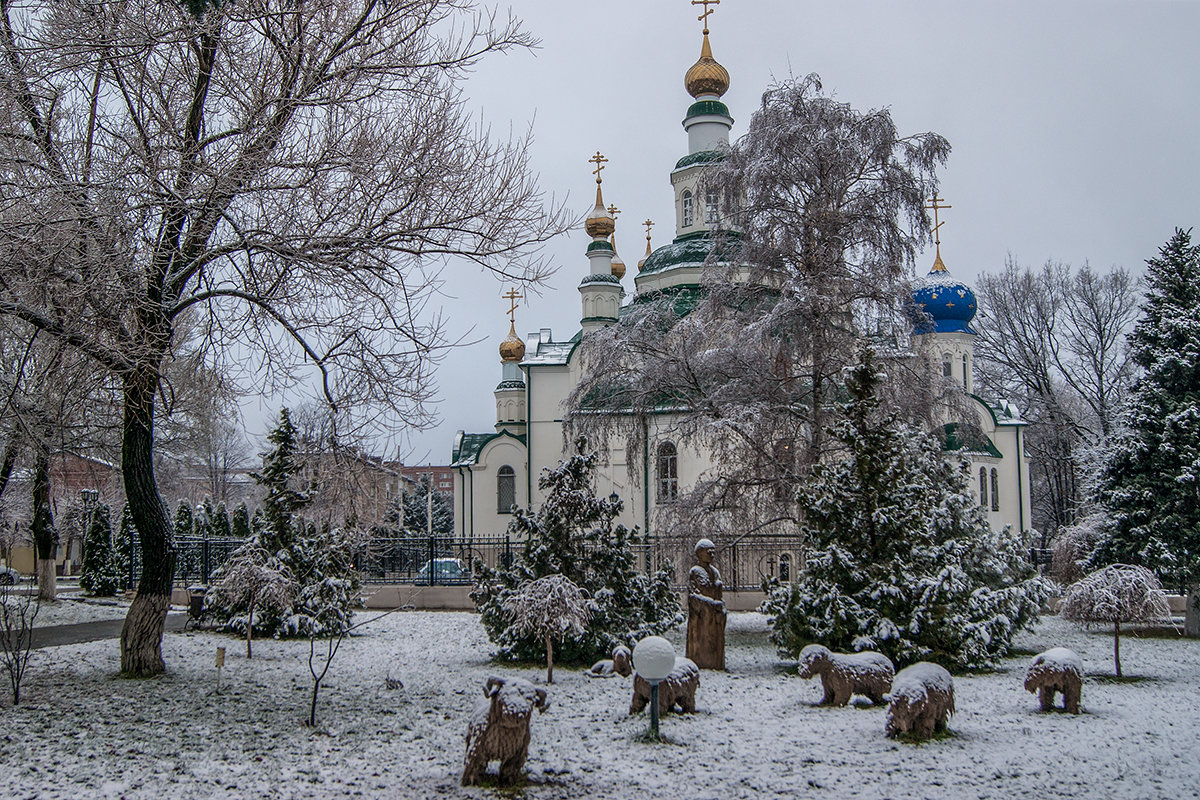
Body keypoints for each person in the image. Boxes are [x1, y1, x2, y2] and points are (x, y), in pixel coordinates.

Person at [686, 538, 726, 669]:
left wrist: (720, 606)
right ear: (700, 553)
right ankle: (702, 661)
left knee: (714, 640)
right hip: (702, 618)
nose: (712, 555)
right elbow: (698, 594)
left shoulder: (714, 571)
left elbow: (716, 591)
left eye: (713, 552)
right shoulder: (696, 571)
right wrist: (713, 604)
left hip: (715, 616)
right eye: (709, 552)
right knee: (703, 640)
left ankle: (715, 663)